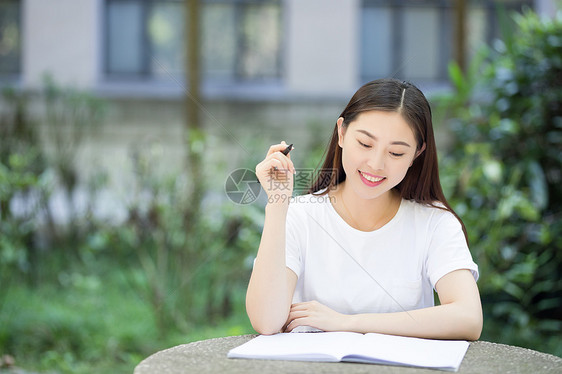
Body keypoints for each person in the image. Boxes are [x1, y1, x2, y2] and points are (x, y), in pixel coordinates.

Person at [246, 78, 483, 340]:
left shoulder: (435, 223)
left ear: (417, 154)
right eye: (366, 144)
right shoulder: (300, 216)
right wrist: (278, 203)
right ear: (342, 133)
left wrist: (346, 322)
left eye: (395, 153)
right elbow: (266, 321)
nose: (376, 164)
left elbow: (468, 318)